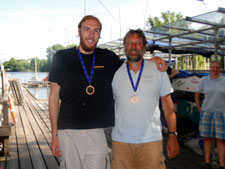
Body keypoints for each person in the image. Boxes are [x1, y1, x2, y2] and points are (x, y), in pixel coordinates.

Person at [48, 15, 166, 169]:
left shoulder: (108, 57)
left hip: (98, 131)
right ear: (79, 31)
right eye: (87, 29)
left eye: (96, 31)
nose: (91, 35)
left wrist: (152, 60)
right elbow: (53, 97)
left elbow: (129, 67)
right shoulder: (62, 57)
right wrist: (54, 135)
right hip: (68, 130)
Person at [111, 29, 180, 169]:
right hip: (121, 144)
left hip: (151, 142)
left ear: (144, 47)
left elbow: (168, 105)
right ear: (125, 46)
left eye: (138, 43)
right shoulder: (115, 73)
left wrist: (173, 135)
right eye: (130, 43)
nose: (133, 46)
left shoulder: (158, 70)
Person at [195, 60, 225, 169]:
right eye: (213, 67)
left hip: (221, 113)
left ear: (220, 69)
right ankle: (207, 162)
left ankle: (222, 165)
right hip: (206, 112)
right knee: (207, 138)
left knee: (220, 140)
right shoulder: (204, 80)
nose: (215, 69)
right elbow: (197, 94)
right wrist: (199, 109)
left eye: (217, 67)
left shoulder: (224, 80)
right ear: (210, 68)